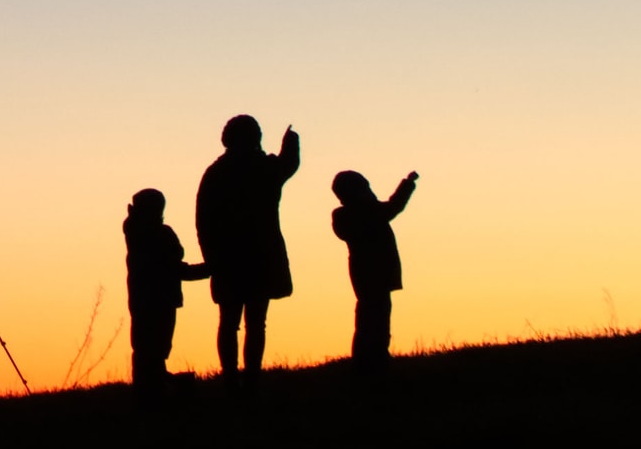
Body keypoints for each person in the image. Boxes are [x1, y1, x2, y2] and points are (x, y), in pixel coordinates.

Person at [193, 113, 302, 375]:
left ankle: (231, 377)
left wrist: (211, 257)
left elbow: (203, 220)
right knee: (255, 322)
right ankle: (251, 377)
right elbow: (288, 164)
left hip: (226, 257)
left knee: (229, 322)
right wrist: (291, 142)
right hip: (260, 255)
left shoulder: (216, 172)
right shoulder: (263, 167)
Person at [329, 168, 421, 368]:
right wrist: (407, 184)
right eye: (365, 187)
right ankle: (372, 358)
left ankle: (371, 356)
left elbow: (390, 208)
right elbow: (393, 207)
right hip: (373, 271)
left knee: (372, 313)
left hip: (367, 271)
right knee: (374, 315)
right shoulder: (359, 213)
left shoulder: (349, 214)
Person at [121, 189, 209, 389]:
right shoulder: (158, 235)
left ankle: (151, 387)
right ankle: (154, 389)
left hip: (142, 301)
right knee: (155, 347)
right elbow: (175, 268)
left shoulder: (136, 236)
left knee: (146, 348)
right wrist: (208, 269)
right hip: (162, 301)